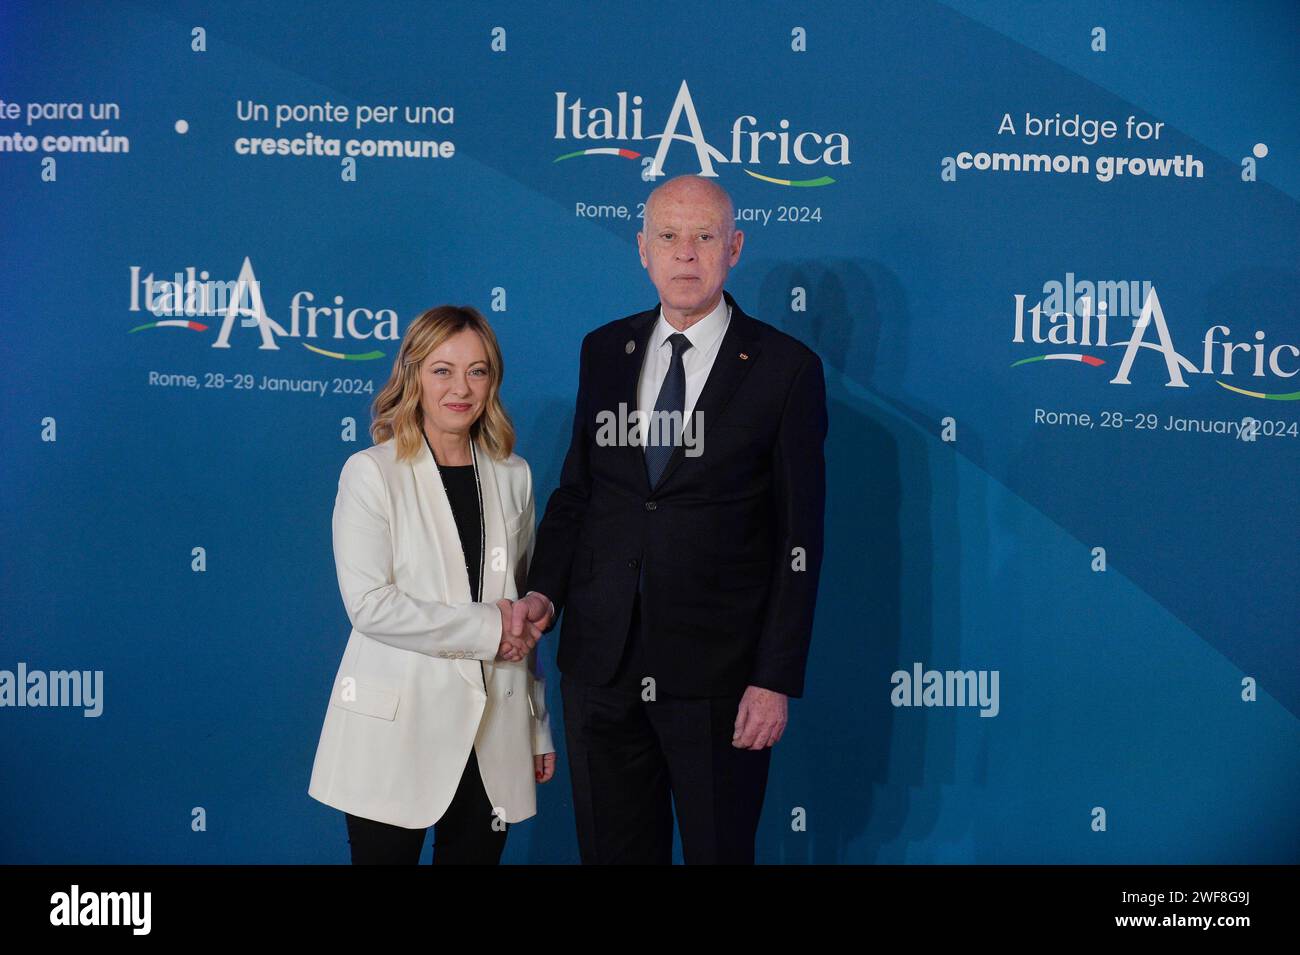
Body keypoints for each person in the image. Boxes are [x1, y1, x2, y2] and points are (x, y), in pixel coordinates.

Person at [510, 174, 827, 864]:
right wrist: (544, 593)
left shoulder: (786, 369)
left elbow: (800, 538)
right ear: (642, 250)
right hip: (602, 666)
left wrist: (774, 677)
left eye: (705, 236)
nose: (686, 252)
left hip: (719, 679)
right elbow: (579, 493)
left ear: (734, 248)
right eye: (669, 236)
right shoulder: (605, 349)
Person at [308, 304, 556, 864]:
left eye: (477, 370)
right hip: (397, 734)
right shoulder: (371, 472)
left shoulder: (513, 473)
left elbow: (519, 611)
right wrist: (490, 629)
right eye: (442, 370)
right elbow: (370, 606)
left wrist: (537, 726)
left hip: (494, 734)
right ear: (413, 374)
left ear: (493, 379)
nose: (460, 388)